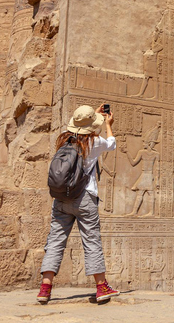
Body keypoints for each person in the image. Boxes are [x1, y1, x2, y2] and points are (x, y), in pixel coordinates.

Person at [37, 105, 120, 304]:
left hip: (62, 198)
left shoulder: (63, 139)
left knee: (56, 240)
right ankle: (101, 287)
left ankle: (45, 288)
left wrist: (93, 117)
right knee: (91, 240)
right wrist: (107, 123)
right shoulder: (95, 142)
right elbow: (112, 143)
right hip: (85, 197)